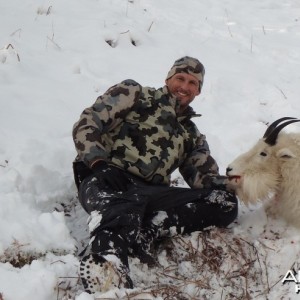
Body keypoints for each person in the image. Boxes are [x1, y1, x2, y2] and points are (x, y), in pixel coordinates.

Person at [72, 56, 238, 294]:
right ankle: (108, 268)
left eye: (192, 83)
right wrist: (98, 162)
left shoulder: (192, 135)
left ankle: (149, 229)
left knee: (224, 202)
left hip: (151, 194)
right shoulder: (135, 94)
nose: (185, 86)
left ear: (198, 91)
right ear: (168, 79)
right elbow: (88, 122)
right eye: (180, 78)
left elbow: (204, 178)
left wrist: (240, 182)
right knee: (122, 206)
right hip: (109, 178)